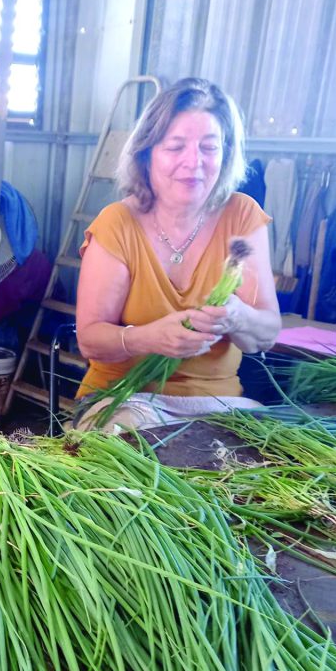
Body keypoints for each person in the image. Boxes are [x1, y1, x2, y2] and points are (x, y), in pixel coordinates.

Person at [74, 77, 281, 431]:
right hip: (124, 399)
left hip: (219, 405)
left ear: (226, 153)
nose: (193, 162)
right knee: (139, 455)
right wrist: (148, 337)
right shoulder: (118, 224)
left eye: (209, 147)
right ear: (147, 153)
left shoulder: (242, 217)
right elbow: (91, 340)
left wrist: (237, 316)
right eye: (175, 147)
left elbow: (264, 335)